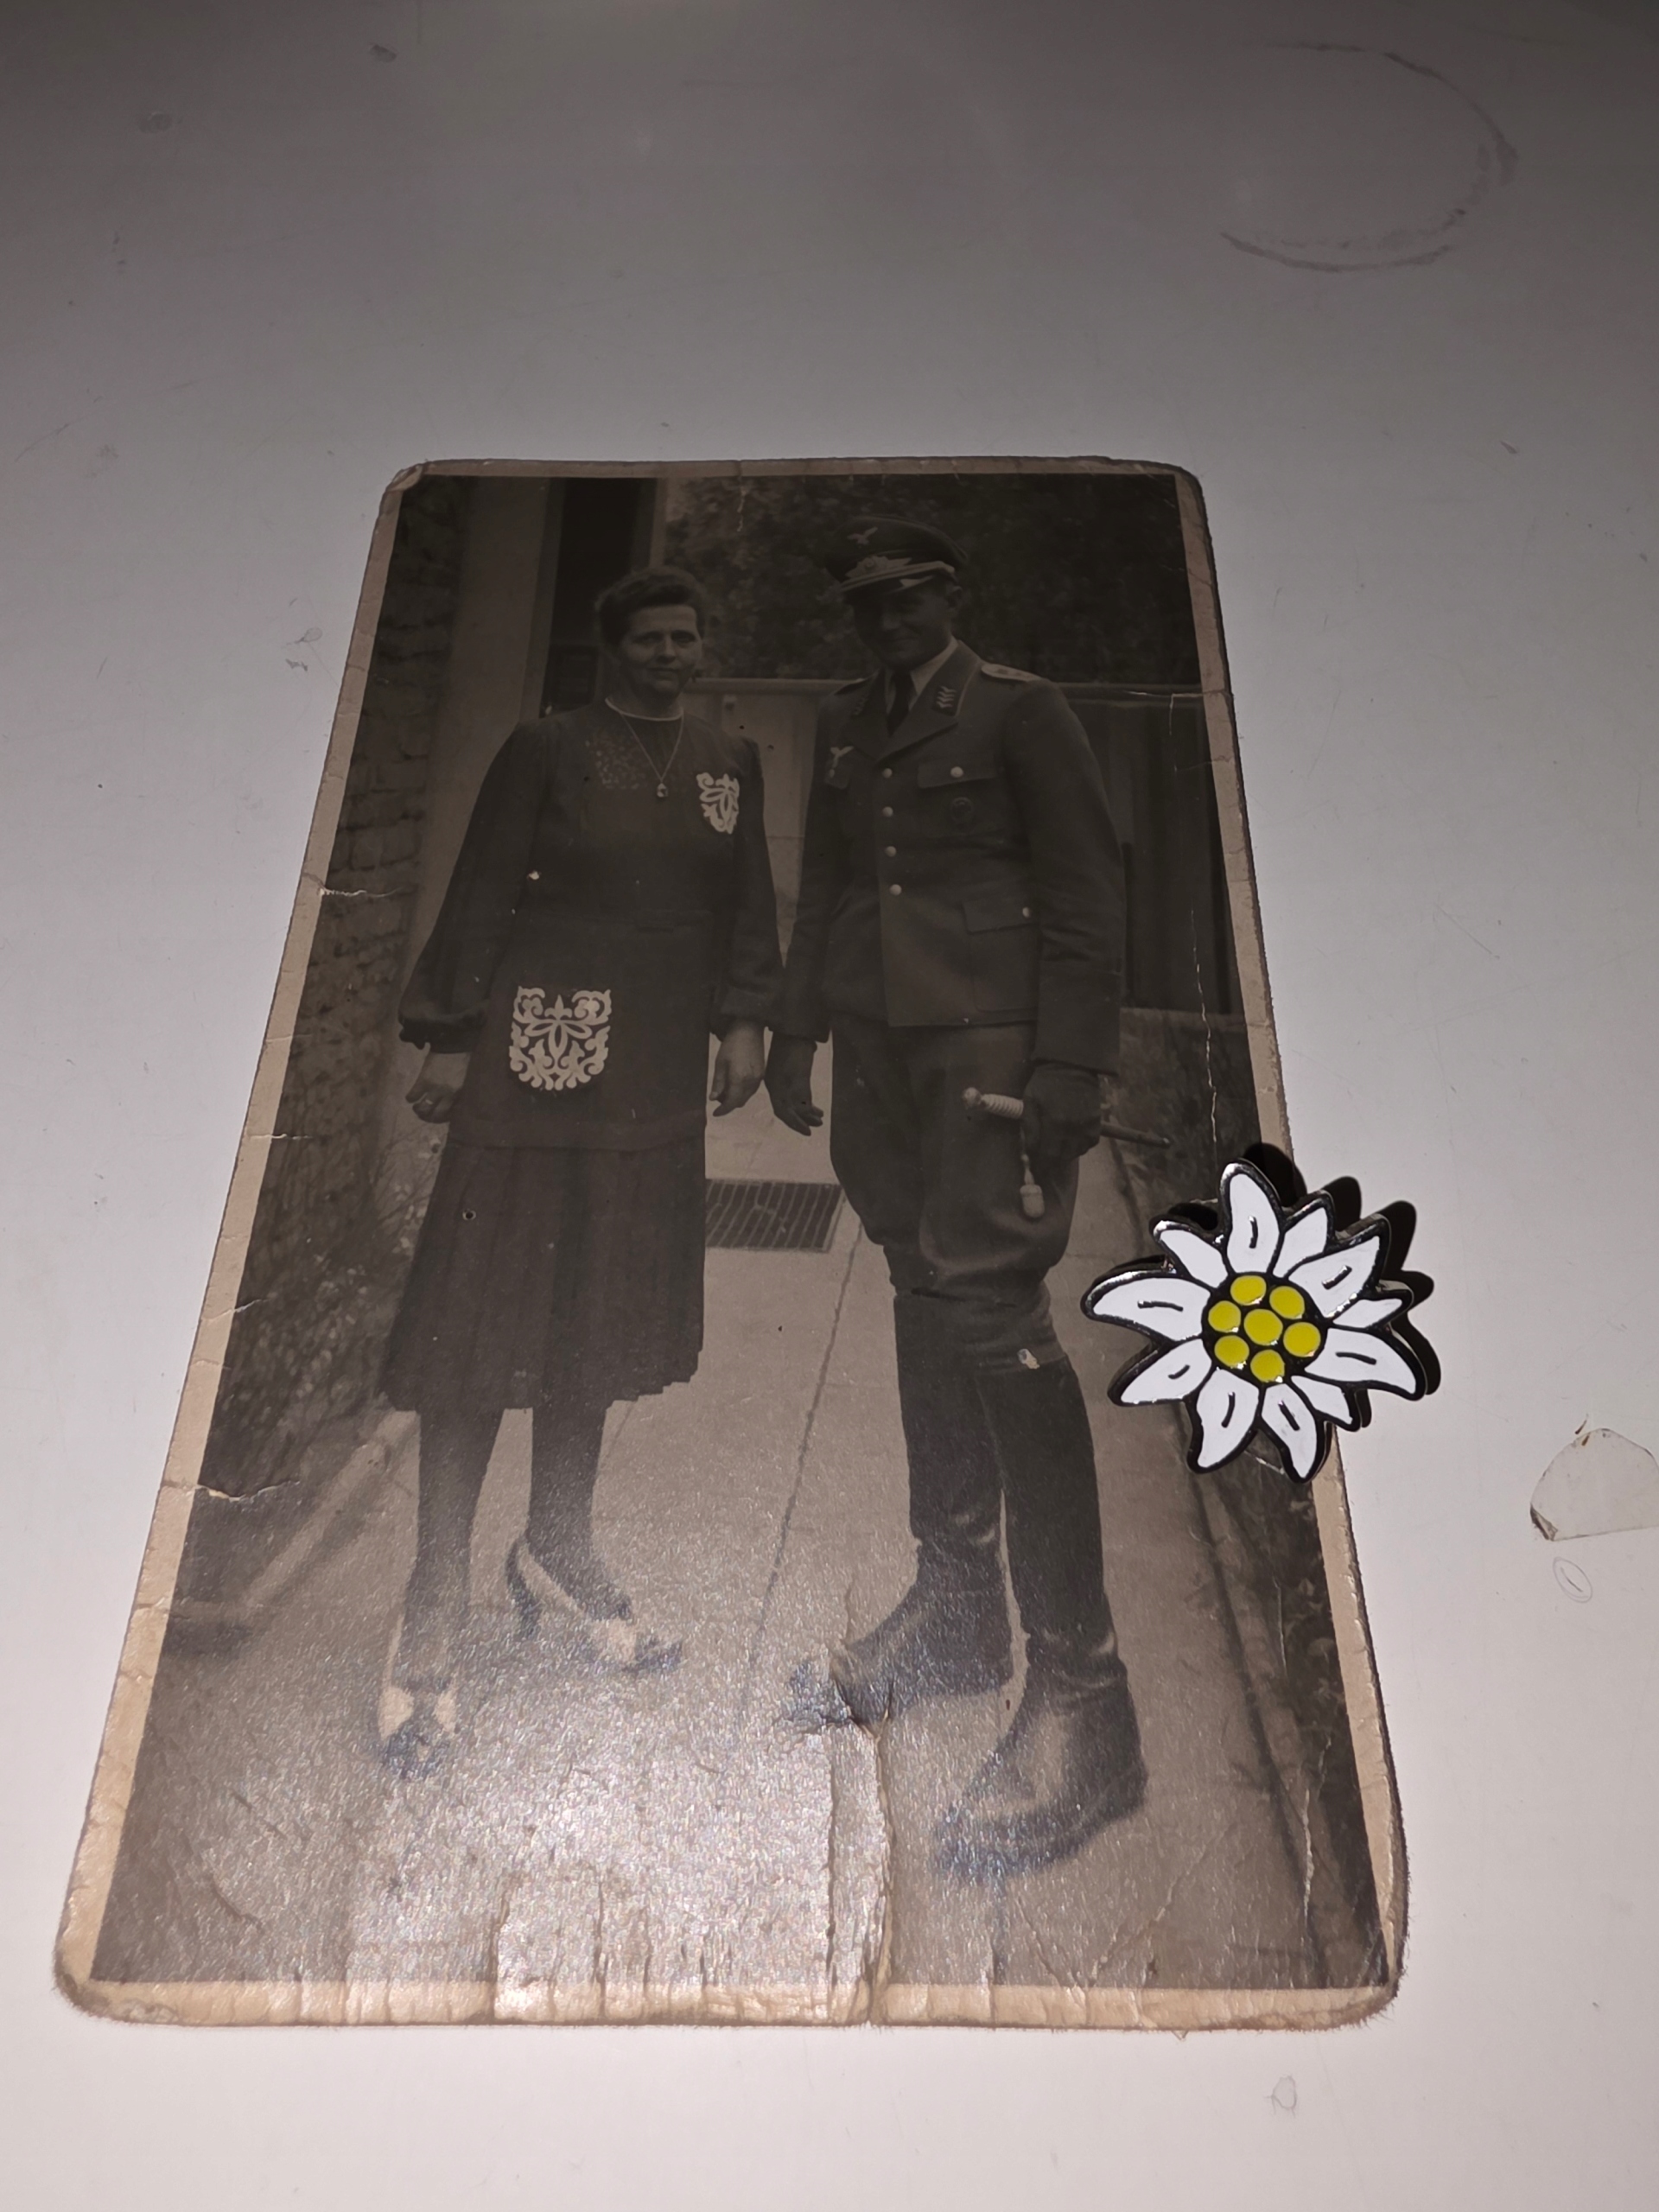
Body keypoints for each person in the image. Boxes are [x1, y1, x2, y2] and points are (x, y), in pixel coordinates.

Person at [766, 517, 1145, 1876]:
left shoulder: (1020, 712)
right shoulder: (846, 719)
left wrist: (1071, 1065)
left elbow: (1088, 891)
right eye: (865, 604)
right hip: (880, 1055)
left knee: (991, 1314)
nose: (887, 623)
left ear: (949, 594)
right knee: (922, 1294)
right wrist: (797, 1025)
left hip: (989, 1057)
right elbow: (830, 881)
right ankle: (956, 1613)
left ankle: (1085, 1693)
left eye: (907, 598)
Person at [377, 566, 782, 1777]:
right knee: (481, 1315)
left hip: (652, 1073)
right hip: (538, 1054)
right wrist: (453, 1033)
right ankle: (435, 1587)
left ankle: (559, 1542)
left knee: (597, 1307)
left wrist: (745, 1019)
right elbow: (483, 886)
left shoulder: (728, 763)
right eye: (649, 636)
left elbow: (745, 904)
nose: (670, 653)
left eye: (686, 636)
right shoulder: (546, 749)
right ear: (611, 647)